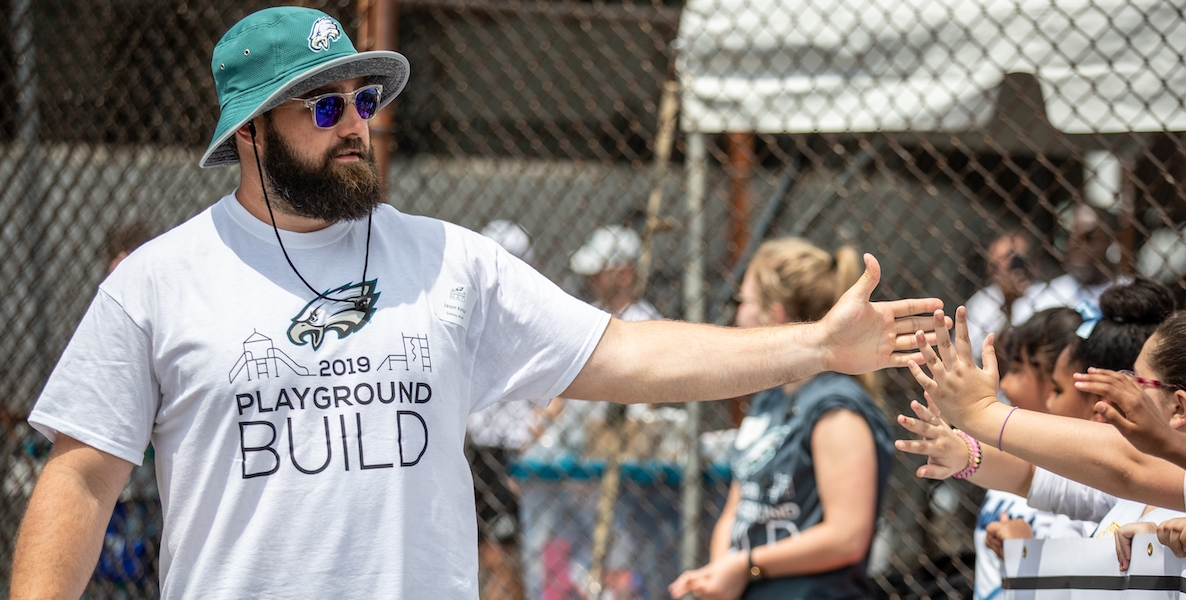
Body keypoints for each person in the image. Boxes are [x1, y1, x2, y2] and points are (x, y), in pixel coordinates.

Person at [10, 7, 943, 599]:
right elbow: (82, 477)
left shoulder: (449, 260)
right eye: (322, 109)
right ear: (251, 133)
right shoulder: (157, 281)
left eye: (361, 99)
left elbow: (623, 356)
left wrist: (815, 348)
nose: (356, 125)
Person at [668, 239, 896, 600]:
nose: (737, 315)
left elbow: (847, 537)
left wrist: (747, 566)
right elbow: (738, 506)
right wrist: (718, 573)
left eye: (742, 302)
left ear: (774, 314)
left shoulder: (836, 407)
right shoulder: (771, 398)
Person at [468, 220, 536, 600]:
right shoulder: (472, 316)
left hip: (517, 449)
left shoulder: (530, 318)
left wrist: (532, 444)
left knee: (504, 554)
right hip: (482, 450)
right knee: (484, 552)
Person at [1012, 205, 1115, 325]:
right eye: (1070, 236)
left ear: (1110, 240)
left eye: (1088, 238)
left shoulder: (1128, 294)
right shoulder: (1042, 297)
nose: (1075, 244)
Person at [965, 231, 1033, 364]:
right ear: (991, 268)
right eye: (1006, 257)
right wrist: (1009, 305)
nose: (1013, 263)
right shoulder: (981, 303)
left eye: (1018, 256)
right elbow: (981, 357)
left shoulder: (1045, 295)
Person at [569, 224, 662, 321]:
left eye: (597, 275)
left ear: (625, 275)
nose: (589, 280)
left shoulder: (645, 322)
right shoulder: (590, 312)